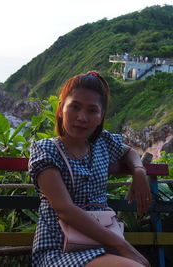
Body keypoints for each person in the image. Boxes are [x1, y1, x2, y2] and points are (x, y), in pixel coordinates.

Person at [29, 71, 151, 267]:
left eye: (92, 110)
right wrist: (124, 247)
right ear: (60, 109)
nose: (82, 117)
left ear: (101, 116)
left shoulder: (102, 142)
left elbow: (129, 151)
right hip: (59, 248)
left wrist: (138, 170)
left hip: (103, 245)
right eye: (74, 107)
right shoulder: (46, 150)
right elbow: (65, 210)